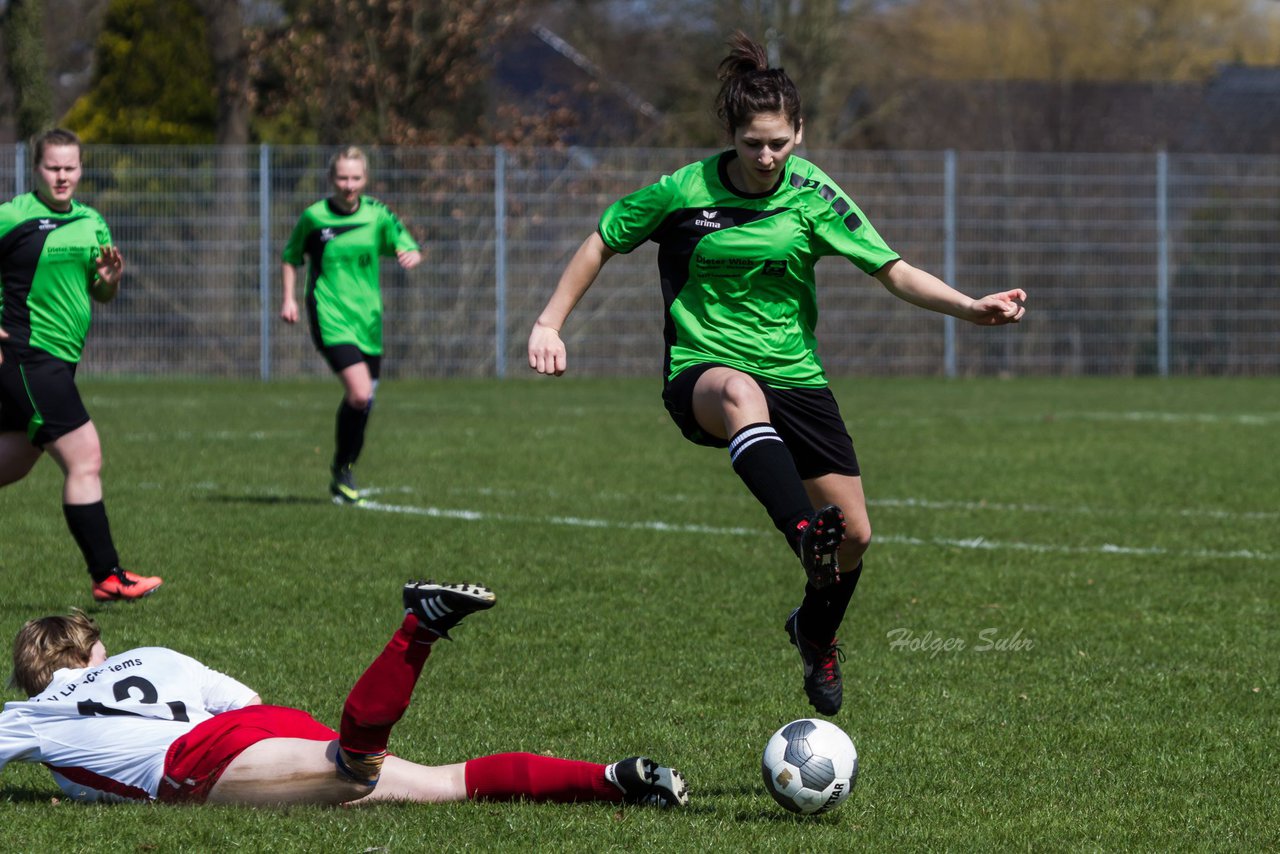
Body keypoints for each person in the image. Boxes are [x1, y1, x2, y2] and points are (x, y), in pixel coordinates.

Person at [527, 33, 1027, 717]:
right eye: (753, 143)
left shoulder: (815, 192)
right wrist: (550, 322)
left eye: (779, 144)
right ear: (731, 136)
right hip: (703, 371)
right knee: (740, 395)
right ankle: (800, 537)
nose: (766, 158)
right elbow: (603, 238)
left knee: (855, 537)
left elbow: (892, 268)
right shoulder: (684, 191)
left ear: (800, 133)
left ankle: (814, 632)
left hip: (795, 375)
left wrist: (970, 307)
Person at [1, 580, 689, 808]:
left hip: (192, 762)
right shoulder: (154, 655)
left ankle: (418, 629)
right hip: (262, 728)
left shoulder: (33, 714)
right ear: (90, 651)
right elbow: (243, 701)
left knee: (353, 771)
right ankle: (613, 779)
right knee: (441, 787)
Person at [0, 128, 161, 602]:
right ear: (37, 169)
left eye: (70, 167)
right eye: (53, 167)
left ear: (81, 169)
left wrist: (109, 279)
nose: (62, 176)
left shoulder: (92, 221)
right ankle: (108, 574)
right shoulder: (13, 216)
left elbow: (100, 291)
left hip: (59, 359)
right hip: (27, 355)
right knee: (85, 456)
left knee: (18, 460)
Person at [280, 146, 422, 505]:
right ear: (332, 178)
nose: (348, 184)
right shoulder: (314, 217)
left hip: (368, 319)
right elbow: (290, 256)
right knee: (360, 393)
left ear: (365, 179)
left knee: (364, 400)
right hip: (329, 314)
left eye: (355, 177)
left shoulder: (378, 215)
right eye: (342, 177)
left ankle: (343, 469)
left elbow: (406, 244)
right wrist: (289, 298)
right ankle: (343, 469)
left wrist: (412, 253)